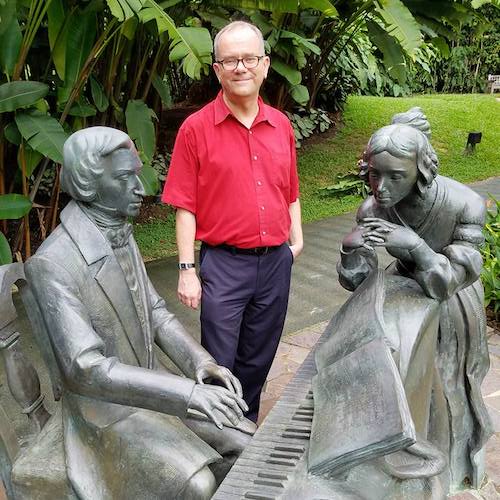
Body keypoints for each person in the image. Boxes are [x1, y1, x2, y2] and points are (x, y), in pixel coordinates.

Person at [24, 127, 255, 500]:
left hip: (154, 390)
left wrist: (199, 362)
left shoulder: (119, 228)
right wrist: (187, 395)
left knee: (246, 441)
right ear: (87, 186)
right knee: (196, 484)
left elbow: (156, 311)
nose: (141, 188)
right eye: (124, 177)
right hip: (105, 413)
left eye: (136, 172)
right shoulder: (53, 264)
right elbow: (87, 370)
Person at [337, 108, 492, 490]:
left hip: (451, 302)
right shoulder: (373, 208)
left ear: (421, 171)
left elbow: (452, 280)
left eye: (396, 177)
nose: (382, 188)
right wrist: (350, 251)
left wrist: (417, 249)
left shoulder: (465, 205)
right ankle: (391, 452)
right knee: (392, 371)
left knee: (447, 385)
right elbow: (359, 281)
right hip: (403, 293)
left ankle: (450, 469)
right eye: (375, 175)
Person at [162, 20, 303, 422]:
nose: (241, 67)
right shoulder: (195, 129)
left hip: (276, 262)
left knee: (259, 357)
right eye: (231, 60)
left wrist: (297, 239)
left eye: (249, 58)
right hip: (223, 266)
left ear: (264, 65)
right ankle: (219, 436)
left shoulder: (281, 125)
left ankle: (246, 429)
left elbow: (290, 189)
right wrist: (187, 269)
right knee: (220, 363)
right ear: (217, 70)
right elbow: (184, 205)